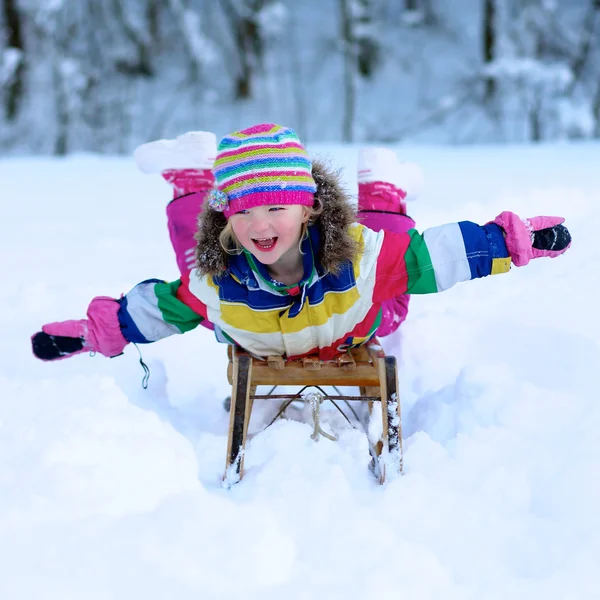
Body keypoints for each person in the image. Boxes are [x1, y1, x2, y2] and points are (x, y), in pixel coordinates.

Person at [31, 123, 571, 364]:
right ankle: (194, 182)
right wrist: (88, 334)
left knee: (396, 278)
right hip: (254, 335)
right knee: (198, 266)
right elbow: (151, 314)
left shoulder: (360, 262)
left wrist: (514, 241)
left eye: (275, 208)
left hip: (351, 328)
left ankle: (381, 189)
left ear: (308, 207)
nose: (259, 224)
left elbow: (438, 254)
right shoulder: (215, 283)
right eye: (242, 210)